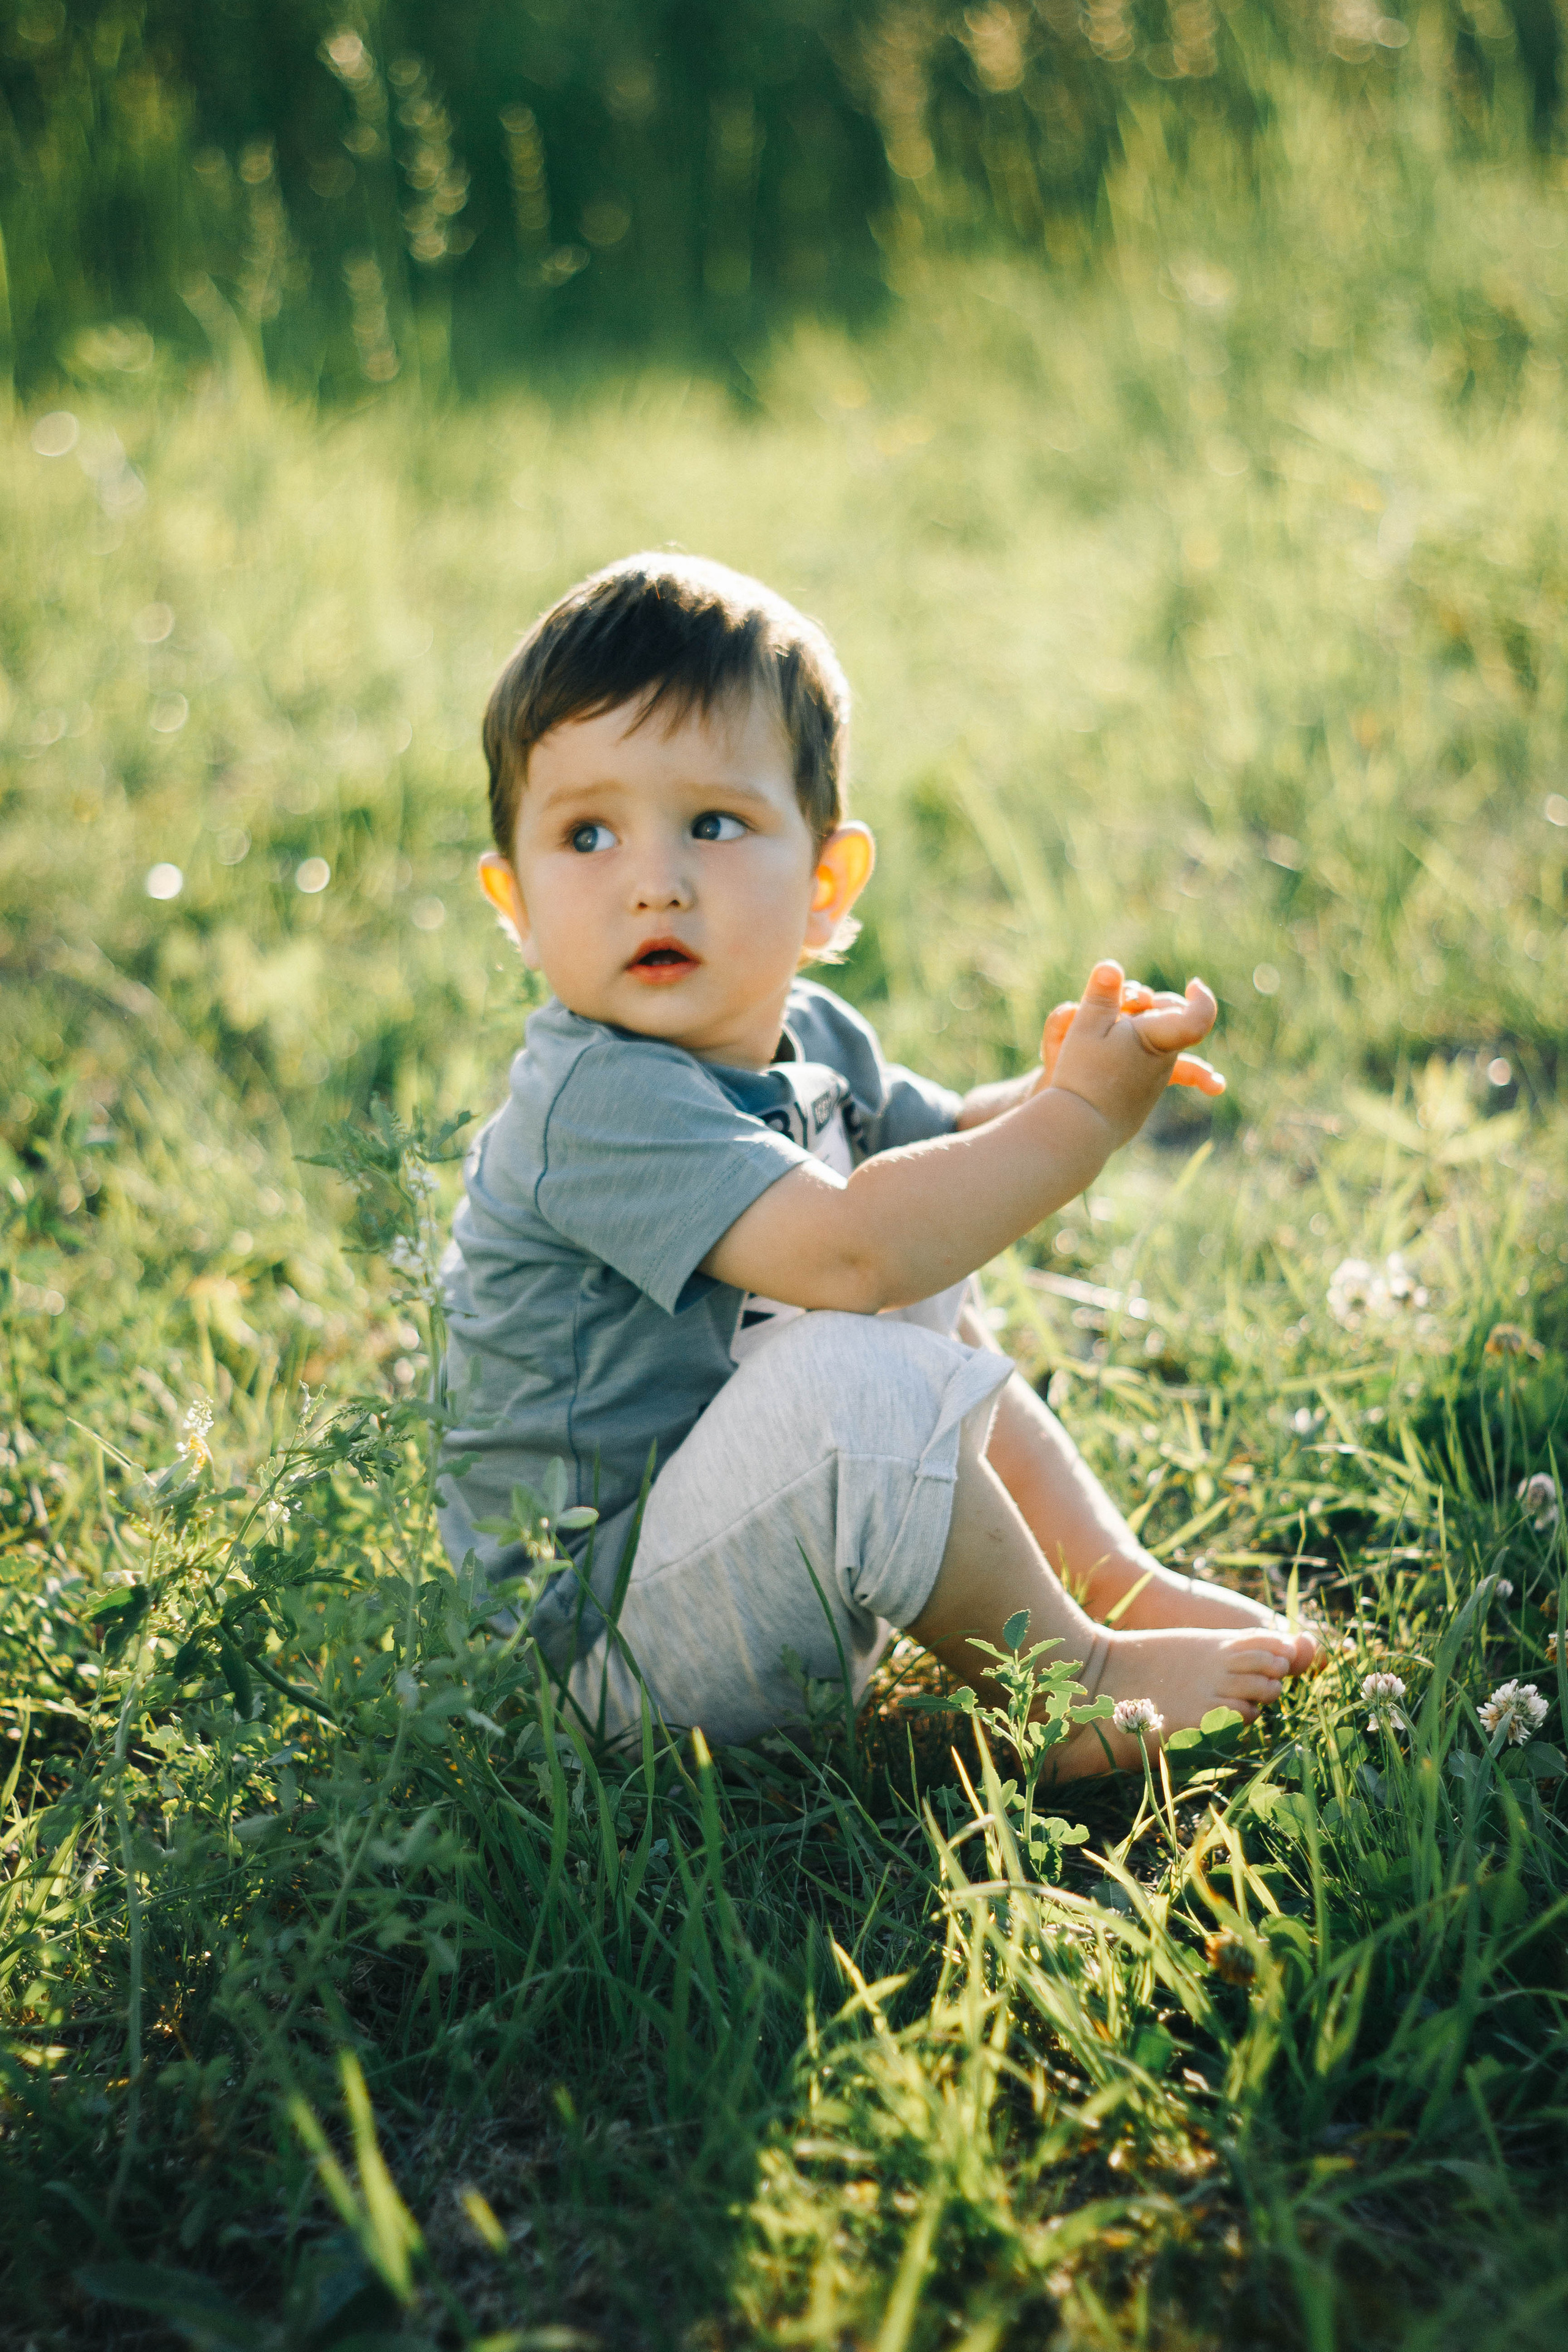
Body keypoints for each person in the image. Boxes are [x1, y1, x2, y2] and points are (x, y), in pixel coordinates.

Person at [437, 552, 1318, 1770]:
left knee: (919, 1265)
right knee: (865, 1318)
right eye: (586, 834)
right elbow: (852, 1251)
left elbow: (946, 1161)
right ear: (515, 903)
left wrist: (1060, 1086)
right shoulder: (593, 1098)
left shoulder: (813, 1041)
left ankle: (1104, 1578)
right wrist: (1078, 1127)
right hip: (599, 1666)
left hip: (737, 1551)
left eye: (712, 822)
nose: (653, 882)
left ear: (823, 883)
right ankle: (1068, 1691)